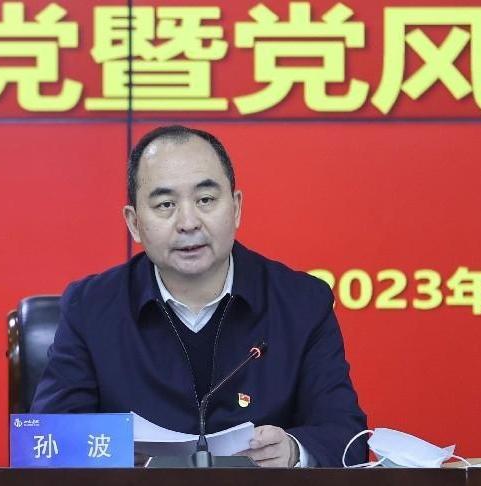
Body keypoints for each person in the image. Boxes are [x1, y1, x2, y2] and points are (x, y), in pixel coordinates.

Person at [31, 125, 367, 467]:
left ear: (236, 208)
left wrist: (294, 451)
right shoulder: (91, 308)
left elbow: (347, 438)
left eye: (205, 200)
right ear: (134, 223)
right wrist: (117, 456)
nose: (188, 222)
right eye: (165, 204)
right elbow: (46, 442)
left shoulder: (301, 303)